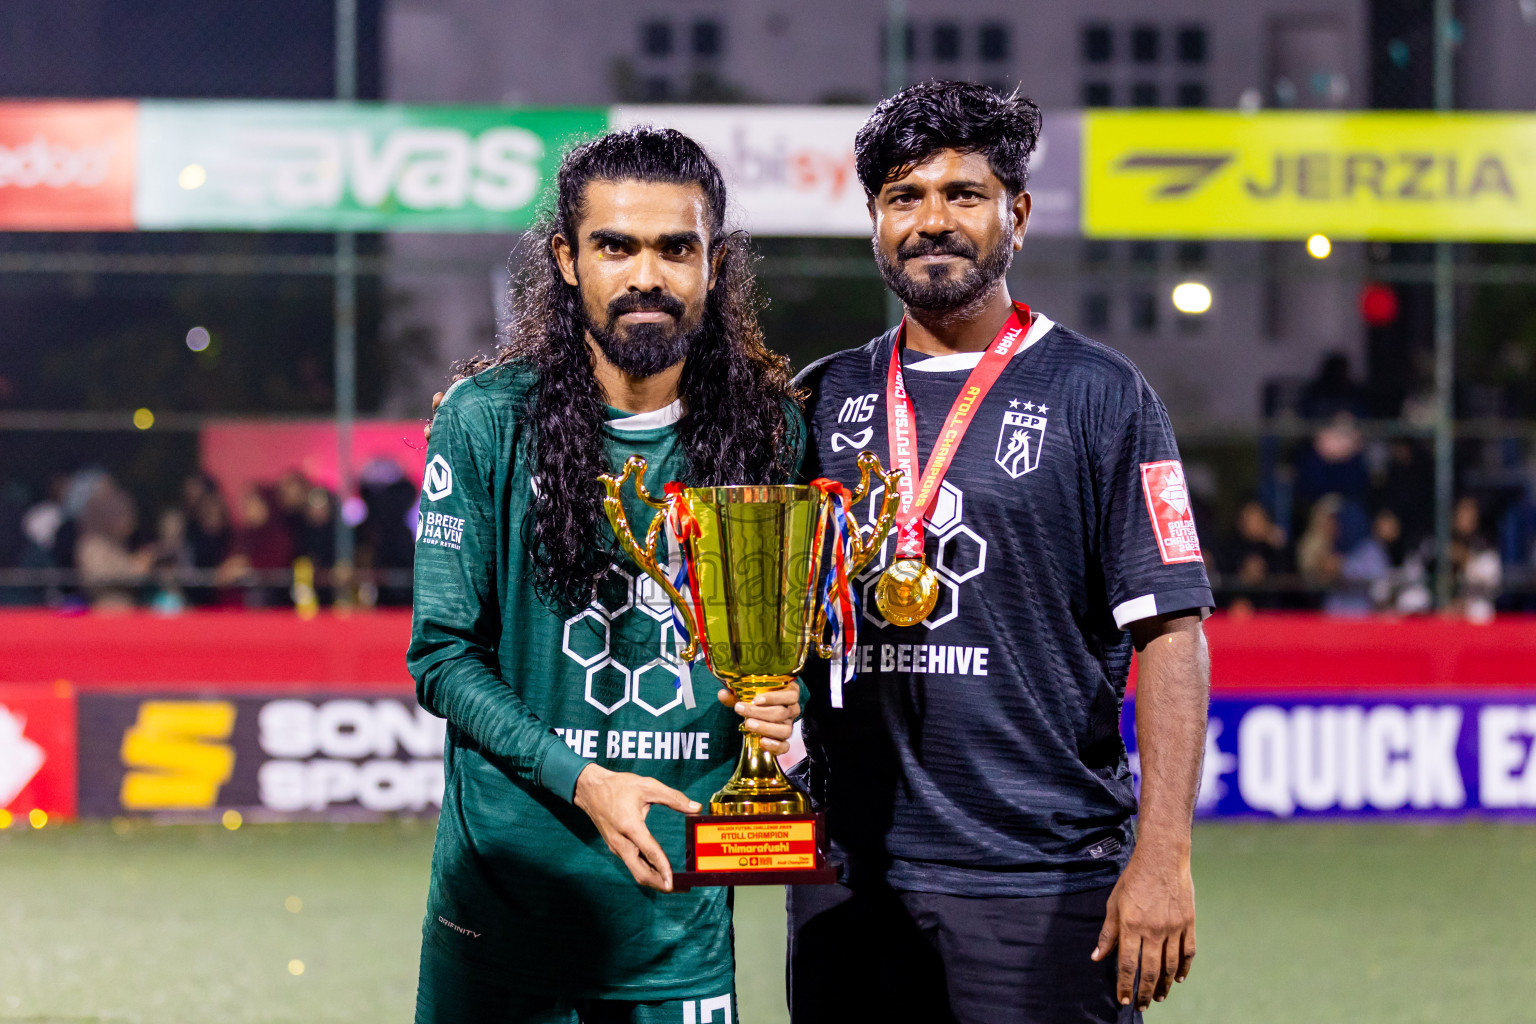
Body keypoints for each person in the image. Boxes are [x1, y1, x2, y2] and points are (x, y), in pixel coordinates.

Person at [788, 82, 1213, 1024]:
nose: (932, 220)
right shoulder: (820, 400)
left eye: (962, 194)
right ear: (873, 221)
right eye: (904, 197)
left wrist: (1164, 856)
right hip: (845, 874)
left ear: (1015, 214)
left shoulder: (1104, 394)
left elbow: (1171, 632)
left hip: (1041, 880)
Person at [408, 127, 806, 1024]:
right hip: (502, 916)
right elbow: (441, 657)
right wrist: (585, 779)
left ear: (715, 263)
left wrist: (787, 704)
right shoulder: (484, 422)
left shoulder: (772, 436)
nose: (646, 275)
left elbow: (795, 656)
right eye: (614, 245)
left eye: (677, 247)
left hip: (677, 923)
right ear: (566, 258)